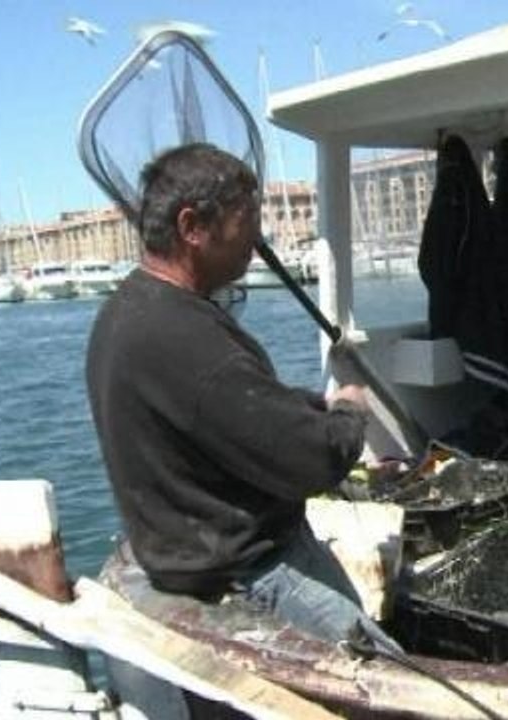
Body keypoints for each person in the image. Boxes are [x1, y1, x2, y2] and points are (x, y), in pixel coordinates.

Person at [86, 143, 397, 654]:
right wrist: (348, 412)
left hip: (177, 559)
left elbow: (220, 411)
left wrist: (305, 405)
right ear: (192, 227)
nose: (256, 239)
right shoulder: (186, 339)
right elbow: (312, 461)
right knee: (393, 688)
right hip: (252, 575)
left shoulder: (127, 310)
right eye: (245, 221)